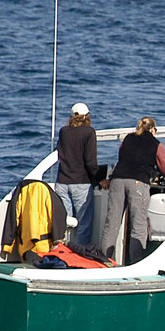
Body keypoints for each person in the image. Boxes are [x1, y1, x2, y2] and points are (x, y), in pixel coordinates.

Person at [100, 116, 165, 264]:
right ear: (152, 130)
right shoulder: (156, 145)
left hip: (117, 180)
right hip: (138, 183)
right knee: (138, 225)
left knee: (112, 223)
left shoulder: (128, 139)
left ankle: (104, 260)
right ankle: (135, 263)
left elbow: (122, 159)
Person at [54, 102, 104, 245]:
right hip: (81, 183)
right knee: (84, 224)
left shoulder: (64, 131)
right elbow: (90, 161)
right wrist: (100, 178)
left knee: (66, 222)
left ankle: (62, 252)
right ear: (87, 116)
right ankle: (80, 255)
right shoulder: (89, 132)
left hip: (62, 182)